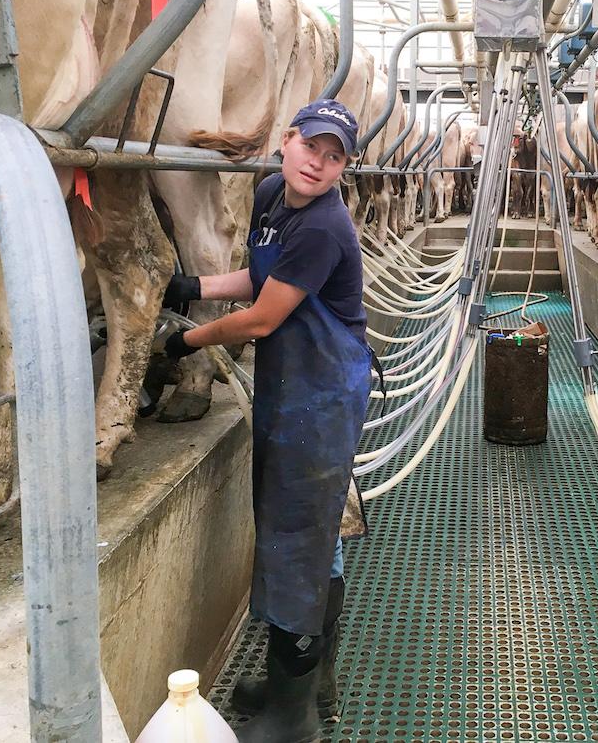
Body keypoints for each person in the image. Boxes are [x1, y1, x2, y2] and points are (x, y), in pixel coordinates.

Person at [162, 99, 372, 743]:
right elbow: (260, 278)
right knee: (312, 536)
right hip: (293, 383)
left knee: (300, 541)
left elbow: (260, 318)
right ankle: (305, 682)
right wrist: (191, 287)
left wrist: (184, 343)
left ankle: (293, 715)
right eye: (313, 146)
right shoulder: (275, 193)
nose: (319, 163)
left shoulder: (323, 228)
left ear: (343, 168)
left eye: (334, 157)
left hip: (322, 393)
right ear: (286, 142)